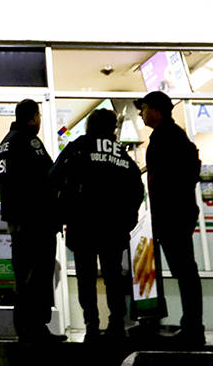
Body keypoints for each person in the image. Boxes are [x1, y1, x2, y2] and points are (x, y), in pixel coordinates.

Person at [50, 108, 144, 345]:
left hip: (83, 224)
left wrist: (63, 208)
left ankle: (92, 326)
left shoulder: (78, 147)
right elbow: (136, 189)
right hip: (114, 227)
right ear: (112, 128)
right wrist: (128, 218)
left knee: (86, 276)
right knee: (113, 276)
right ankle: (116, 325)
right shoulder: (121, 154)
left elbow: (54, 176)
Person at [136, 90, 205, 348]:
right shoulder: (170, 136)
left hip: (173, 215)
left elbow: (179, 176)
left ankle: (193, 327)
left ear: (156, 109)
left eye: (143, 108)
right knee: (184, 270)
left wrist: (169, 205)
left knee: (185, 270)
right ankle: (191, 325)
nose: (141, 114)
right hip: (172, 214)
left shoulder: (170, 137)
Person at [0, 99, 64, 344]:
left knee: (23, 273)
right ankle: (36, 328)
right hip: (35, 218)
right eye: (39, 116)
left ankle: (25, 327)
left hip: (16, 218)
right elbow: (48, 176)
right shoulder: (28, 140)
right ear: (33, 117)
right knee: (37, 272)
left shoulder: (5, 141)